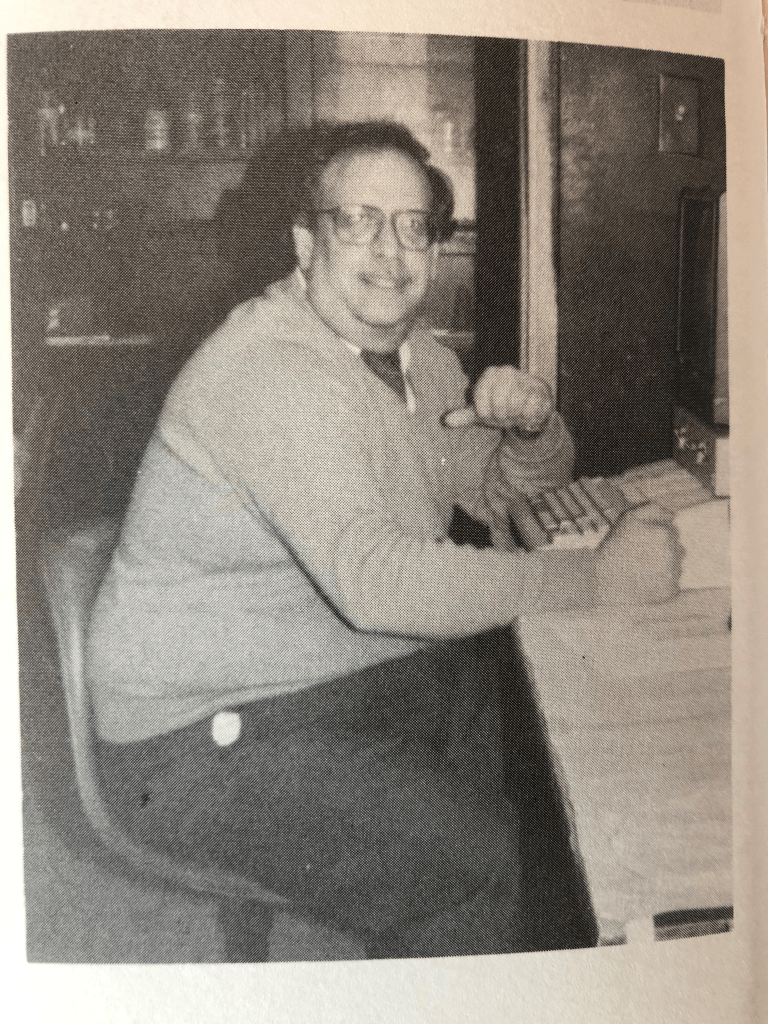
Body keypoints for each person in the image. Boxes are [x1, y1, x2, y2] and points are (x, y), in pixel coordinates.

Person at [88, 121, 681, 959]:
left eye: (413, 227)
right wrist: (598, 581)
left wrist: (531, 431)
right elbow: (379, 583)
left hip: (311, 675)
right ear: (307, 243)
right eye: (358, 221)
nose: (390, 251)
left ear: (435, 249)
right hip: (191, 739)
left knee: (531, 740)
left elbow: (501, 498)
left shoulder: (418, 361)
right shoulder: (270, 369)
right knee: (481, 861)